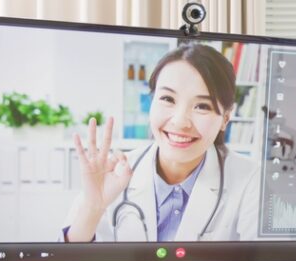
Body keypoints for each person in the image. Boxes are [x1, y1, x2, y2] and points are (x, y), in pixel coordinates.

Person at [62, 43, 259, 242]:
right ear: (151, 102)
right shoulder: (112, 173)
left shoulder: (251, 180)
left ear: (225, 118)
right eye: (168, 98)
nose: (180, 122)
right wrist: (93, 207)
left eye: (202, 106)